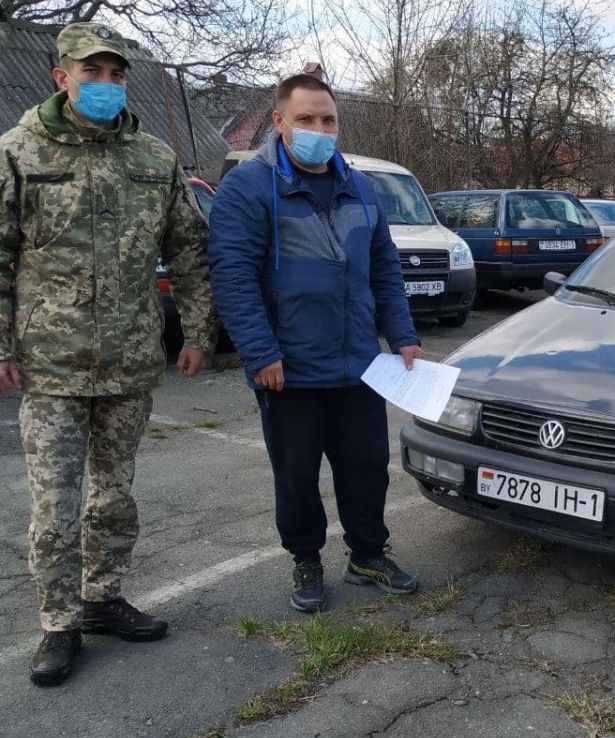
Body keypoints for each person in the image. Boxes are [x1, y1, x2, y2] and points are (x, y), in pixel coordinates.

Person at [0, 23, 215, 686]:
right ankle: (59, 623)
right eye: (91, 72)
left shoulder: (152, 159)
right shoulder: (19, 151)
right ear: (60, 76)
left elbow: (189, 249)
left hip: (127, 360)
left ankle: (103, 598)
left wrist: (199, 332)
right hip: (52, 364)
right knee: (55, 504)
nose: (106, 84)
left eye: (116, 74)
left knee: (114, 496)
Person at [208, 74, 423, 614]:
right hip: (290, 368)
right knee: (297, 476)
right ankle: (306, 557)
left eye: (327, 120)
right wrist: (260, 352)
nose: (319, 130)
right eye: (306, 119)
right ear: (279, 122)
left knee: (367, 467)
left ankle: (368, 555)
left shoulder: (358, 184)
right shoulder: (250, 187)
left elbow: (384, 267)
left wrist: (402, 335)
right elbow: (232, 275)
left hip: (359, 366)